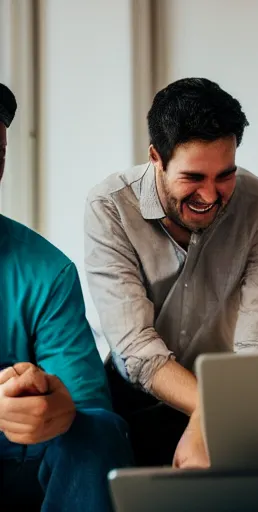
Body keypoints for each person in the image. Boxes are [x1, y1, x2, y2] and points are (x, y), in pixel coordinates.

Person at [84, 77, 258, 468]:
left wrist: (212, 416)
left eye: (225, 175)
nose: (211, 195)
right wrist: (212, 410)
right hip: (134, 398)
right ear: (156, 159)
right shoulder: (111, 206)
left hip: (236, 390)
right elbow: (137, 350)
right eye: (193, 177)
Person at [0, 83, 133, 511]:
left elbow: (88, 408)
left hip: (18, 464)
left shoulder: (47, 271)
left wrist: (55, 408)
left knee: (96, 433)